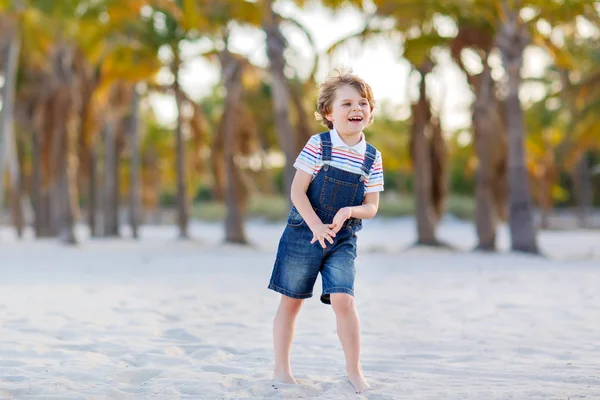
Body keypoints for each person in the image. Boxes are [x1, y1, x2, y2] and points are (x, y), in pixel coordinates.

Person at [267, 70, 384, 393]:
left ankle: (355, 371)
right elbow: (297, 192)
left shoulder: (372, 158)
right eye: (346, 103)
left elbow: (371, 206)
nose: (356, 108)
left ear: (370, 112)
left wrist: (350, 211)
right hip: (303, 233)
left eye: (363, 103)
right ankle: (281, 371)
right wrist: (315, 225)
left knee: (344, 300)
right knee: (291, 302)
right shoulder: (318, 145)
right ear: (329, 113)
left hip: (342, 238)